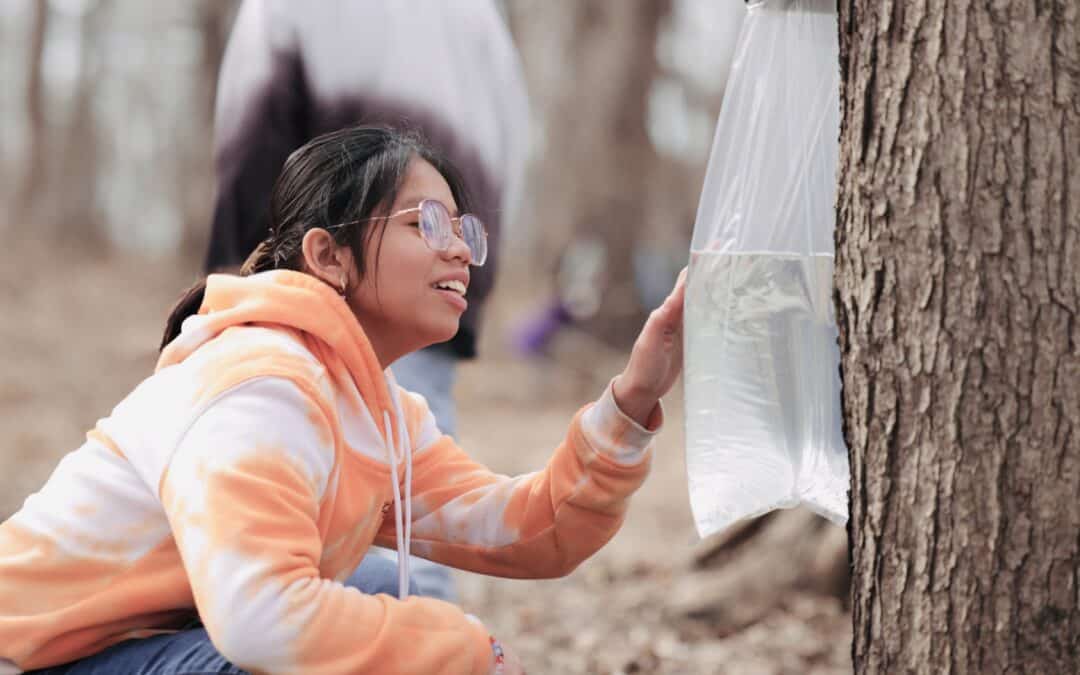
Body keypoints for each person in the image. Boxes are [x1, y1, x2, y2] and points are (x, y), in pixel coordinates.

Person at [0, 126, 685, 675]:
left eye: (464, 231)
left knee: (381, 606)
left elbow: (529, 531)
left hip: (145, 648)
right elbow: (260, 617)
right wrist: (461, 650)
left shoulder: (375, 409)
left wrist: (632, 400)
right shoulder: (258, 384)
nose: (462, 255)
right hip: (36, 657)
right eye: (428, 224)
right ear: (328, 255)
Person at [205, 0, 530, 600]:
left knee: (340, 487)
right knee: (403, 494)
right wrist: (470, 258)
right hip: (420, 270)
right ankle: (408, 626)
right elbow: (510, 136)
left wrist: (239, 270)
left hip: (333, 266)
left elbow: (249, 133)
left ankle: (408, 638)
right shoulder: (477, 12)